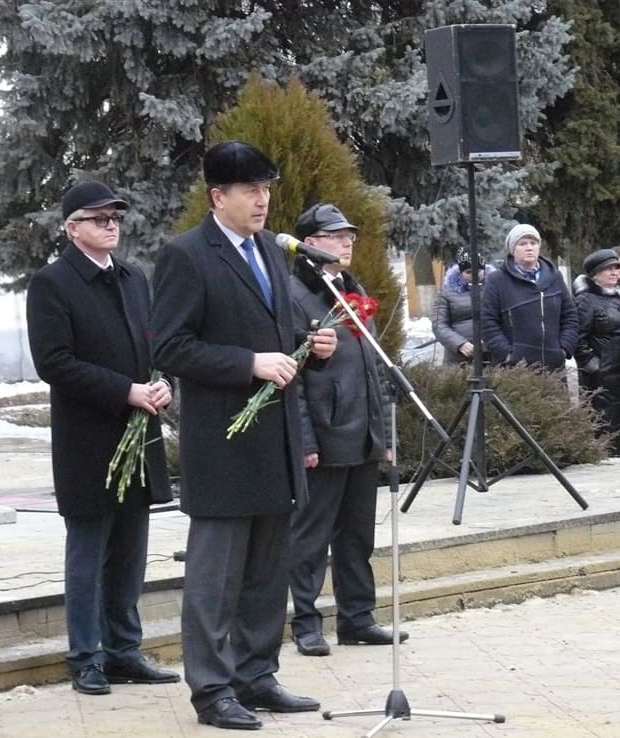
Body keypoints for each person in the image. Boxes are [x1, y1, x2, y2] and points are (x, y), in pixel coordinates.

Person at [150, 141, 337, 731]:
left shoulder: (270, 251)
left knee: (266, 572)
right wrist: (248, 363)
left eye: (267, 190)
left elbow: (280, 336)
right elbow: (170, 345)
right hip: (223, 446)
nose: (262, 201)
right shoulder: (187, 256)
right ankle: (211, 689)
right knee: (216, 579)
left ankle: (256, 675)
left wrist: (314, 348)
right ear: (218, 197)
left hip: (274, 442)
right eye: (250, 190)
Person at [26, 181, 180, 697]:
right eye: (98, 219)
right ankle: (86, 657)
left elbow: (156, 343)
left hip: (139, 437)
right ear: (72, 229)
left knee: (130, 554)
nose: (111, 225)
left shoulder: (134, 278)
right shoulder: (52, 283)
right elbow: (55, 362)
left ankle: (123, 650)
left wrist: (162, 384)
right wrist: (126, 392)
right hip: (89, 441)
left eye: (115, 218)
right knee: (89, 556)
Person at [286, 203, 402, 658]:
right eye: (335, 235)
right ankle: (307, 623)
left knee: (357, 535)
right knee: (311, 537)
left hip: (362, 434)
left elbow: (374, 368)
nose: (347, 241)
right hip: (325, 436)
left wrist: (385, 436)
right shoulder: (295, 296)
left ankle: (358, 618)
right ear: (310, 244)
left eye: (348, 234)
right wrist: (305, 442)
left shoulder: (352, 291)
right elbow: (290, 378)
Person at [573, 249, 620, 455]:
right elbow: (579, 338)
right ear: (595, 274)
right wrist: (594, 366)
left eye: (616, 267)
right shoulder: (585, 300)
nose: (614, 272)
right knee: (607, 426)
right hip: (603, 379)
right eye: (607, 269)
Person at [481, 224, 578, 371]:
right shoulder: (497, 280)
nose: (529, 247)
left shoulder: (555, 277)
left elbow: (570, 316)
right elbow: (488, 323)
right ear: (512, 249)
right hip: (516, 370)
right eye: (522, 243)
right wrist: (508, 355)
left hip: (554, 367)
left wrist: (564, 349)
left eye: (533, 243)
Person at [432, 256, 486, 365]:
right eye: (469, 272)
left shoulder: (494, 289)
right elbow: (439, 325)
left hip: (490, 354)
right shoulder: (447, 292)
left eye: (478, 271)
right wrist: (460, 344)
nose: (474, 275)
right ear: (461, 272)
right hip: (458, 357)